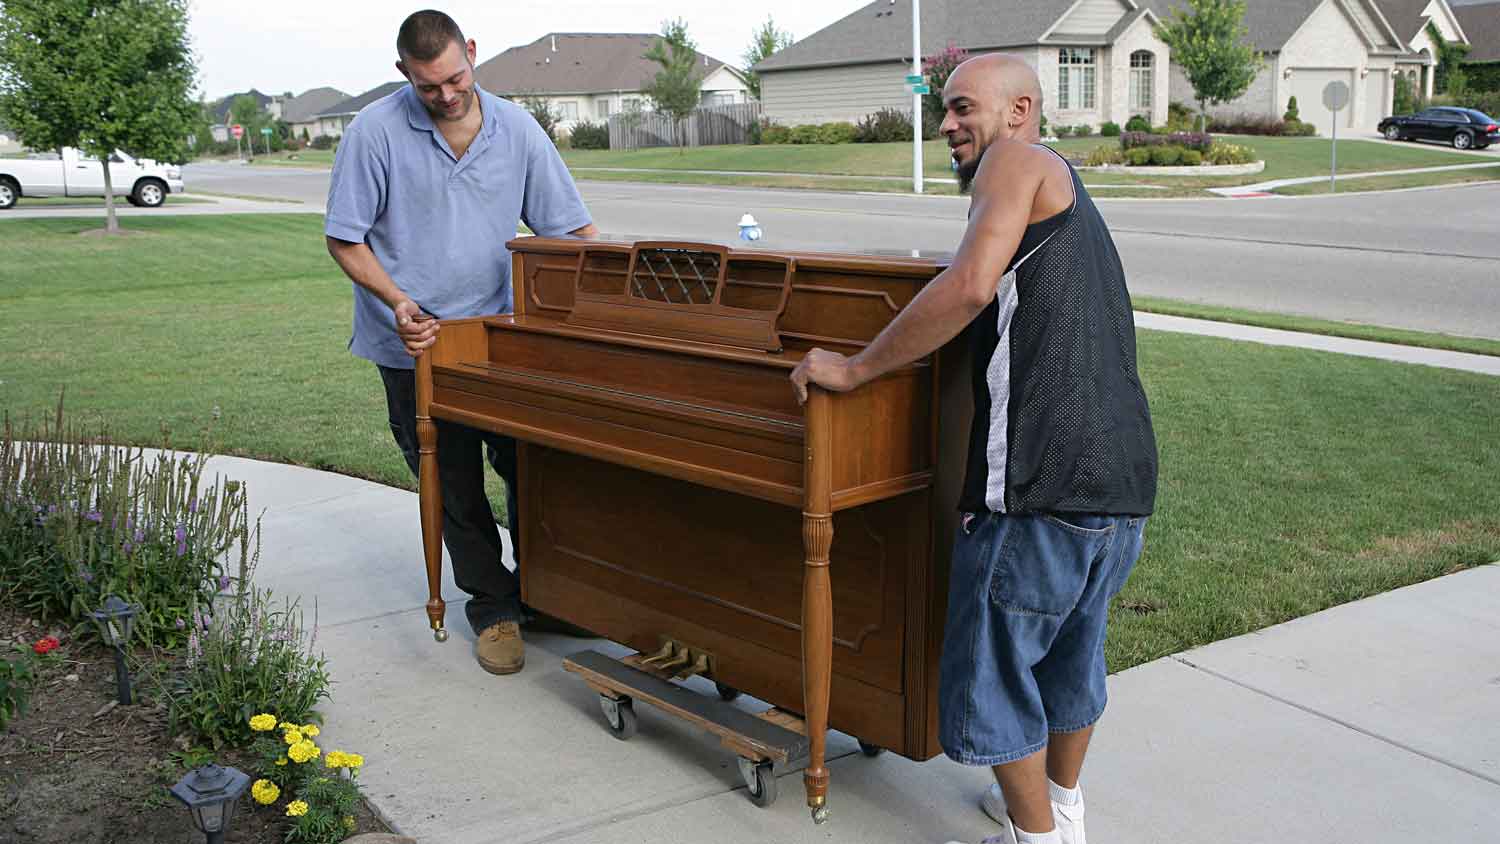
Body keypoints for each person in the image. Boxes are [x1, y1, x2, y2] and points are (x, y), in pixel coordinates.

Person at [789, 54, 1157, 844]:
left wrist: (852, 368)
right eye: (943, 112)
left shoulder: (1015, 160)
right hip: (1119, 487)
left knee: (991, 679)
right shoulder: (1065, 184)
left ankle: (1039, 839)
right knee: (1068, 661)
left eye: (963, 109)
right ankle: (1061, 809)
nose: (949, 126)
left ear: (1020, 110)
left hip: (1039, 485)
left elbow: (967, 285)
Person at [324, 10, 597, 677]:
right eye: (428, 87)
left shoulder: (517, 129)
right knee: (451, 481)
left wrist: (612, 294)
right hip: (413, 345)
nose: (446, 95)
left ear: (471, 53)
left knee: (532, 467)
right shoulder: (375, 133)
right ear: (403, 75)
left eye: (455, 77)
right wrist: (398, 304)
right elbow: (345, 237)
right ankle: (494, 606)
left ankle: (548, 590)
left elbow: (571, 234)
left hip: (500, 339)